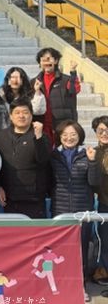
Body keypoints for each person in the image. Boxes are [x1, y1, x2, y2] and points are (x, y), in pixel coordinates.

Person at [49, 120, 96, 280]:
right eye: (65, 135)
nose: (69, 138)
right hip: (60, 209)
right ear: (59, 136)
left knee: (81, 248)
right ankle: (62, 282)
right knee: (60, 249)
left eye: (73, 134)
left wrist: (92, 161)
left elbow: (94, 182)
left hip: (83, 210)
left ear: (80, 136)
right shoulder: (53, 156)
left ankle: (81, 284)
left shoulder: (87, 154)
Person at [0, 98, 51, 219]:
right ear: (11, 116)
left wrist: (38, 138)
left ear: (31, 115)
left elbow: (43, 161)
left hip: (34, 197)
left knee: (35, 230)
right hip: (10, 197)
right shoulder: (1, 136)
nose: (21, 116)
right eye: (17, 112)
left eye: (25, 112)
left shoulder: (42, 136)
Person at [34, 47, 80, 143]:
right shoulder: (34, 82)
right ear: (40, 63)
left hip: (62, 125)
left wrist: (73, 73)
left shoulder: (66, 79)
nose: (46, 62)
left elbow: (74, 90)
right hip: (43, 124)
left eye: (49, 59)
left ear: (56, 61)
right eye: (43, 60)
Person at [90, 116, 108, 284]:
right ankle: (103, 270)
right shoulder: (93, 152)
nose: (104, 133)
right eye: (101, 130)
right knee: (103, 239)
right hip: (103, 202)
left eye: (107, 130)